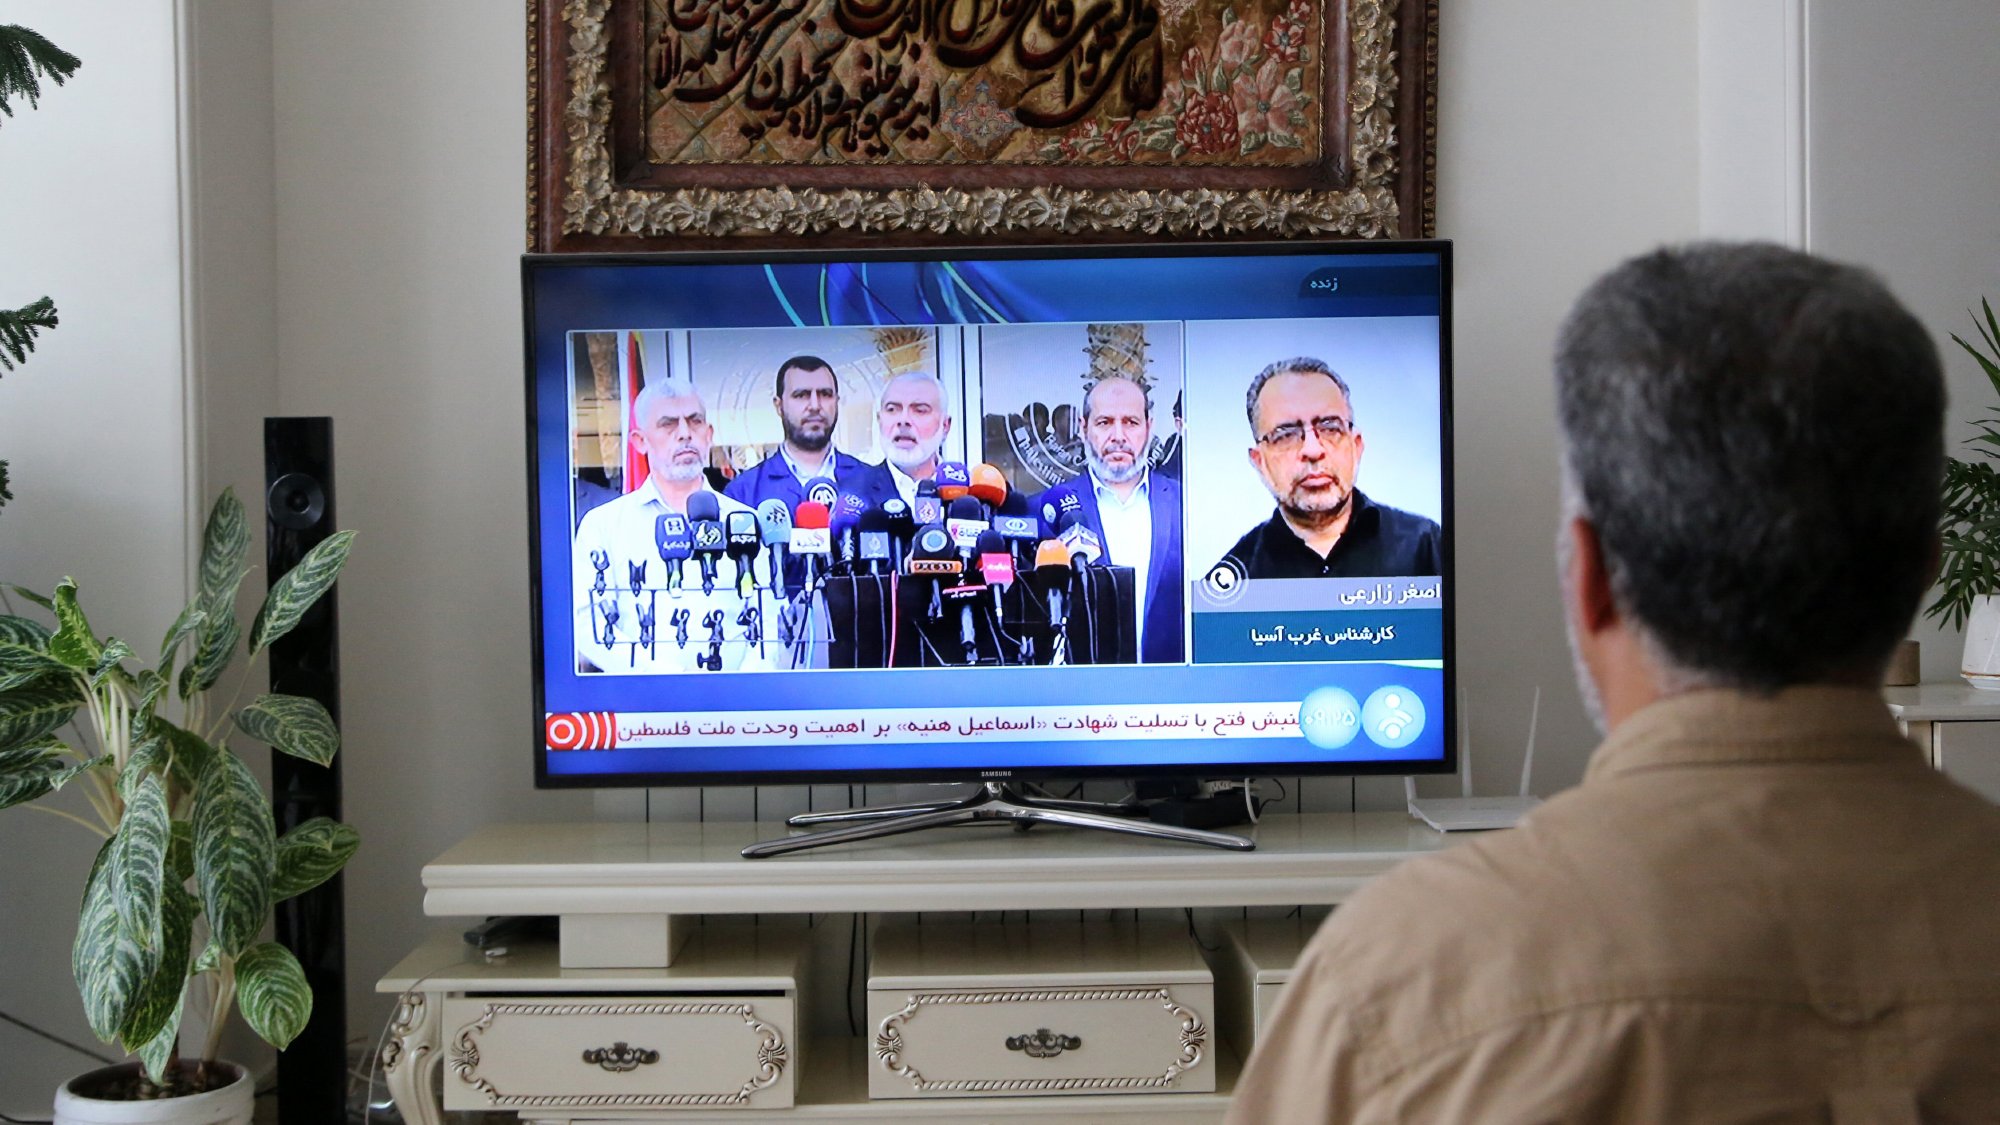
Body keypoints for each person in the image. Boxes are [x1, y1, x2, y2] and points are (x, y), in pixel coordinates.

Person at [1228, 243, 2000, 1121]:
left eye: (1325, 428)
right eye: (1287, 432)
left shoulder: (1396, 976)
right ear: (1924, 571)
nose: (1311, 451)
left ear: (1589, 576)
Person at [571, 378, 777, 673]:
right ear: (640, 441)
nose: (685, 434)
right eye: (668, 424)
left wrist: (743, 690)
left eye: (694, 422)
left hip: (736, 706)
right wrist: (663, 686)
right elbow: (589, 624)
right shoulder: (603, 526)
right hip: (642, 704)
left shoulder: (745, 522)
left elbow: (769, 619)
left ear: (709, 435)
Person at [1216, 357, 1440, 580]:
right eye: (1285, 435)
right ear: (1259, 462)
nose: (1312, 451)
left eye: (1330, 428)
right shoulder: (1236, 579)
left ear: (1356, 446)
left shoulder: (1425, 545)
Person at [1034, 375, 1184, 664]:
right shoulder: (1048, 511)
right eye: (1104, 423)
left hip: (1170, 692)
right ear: (1083, 428)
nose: (1118, 436)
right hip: (1085, 696)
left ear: (1149, 427)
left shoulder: (1185, 505)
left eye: (1130, 422)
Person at [723, 355, 878, 510]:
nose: (815, 406)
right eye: (801, 395)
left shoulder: (873, 483)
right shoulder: (742, 494)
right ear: (779, 406)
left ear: (837, 402)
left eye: (825, 394)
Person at [850, 371, 954, 508]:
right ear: (879, 421)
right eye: (892, 409)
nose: (903, 420)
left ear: (945, 426)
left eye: (920, 410)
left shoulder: (969, 493)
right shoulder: (853, 493)